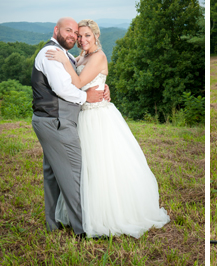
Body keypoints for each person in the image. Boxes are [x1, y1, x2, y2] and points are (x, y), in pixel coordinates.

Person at [46, 19, 170, 238]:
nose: (82, 40)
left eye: (87, 36)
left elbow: (77, 82)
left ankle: (108, 215)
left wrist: (64, 62)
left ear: (96, 37)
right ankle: (84, 212)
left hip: (98, 117)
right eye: (79, 36)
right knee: (85, 168)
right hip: (82, 116)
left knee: (103, 165)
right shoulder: (81, 57)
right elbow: (81, 80)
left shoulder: (99, 56)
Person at [31, 17, 107, 240]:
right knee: (74, 173)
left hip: (53, 120)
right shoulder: (51, 54)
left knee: (53, 173)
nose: (74, 36)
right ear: (56, 30)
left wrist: (102, 86)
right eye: (69, 31)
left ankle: (53, 223)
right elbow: (63, 88)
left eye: (78, 33)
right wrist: (87, 97)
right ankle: (83, 228)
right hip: (56, 121)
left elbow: (87, 74)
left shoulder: (69, 55)